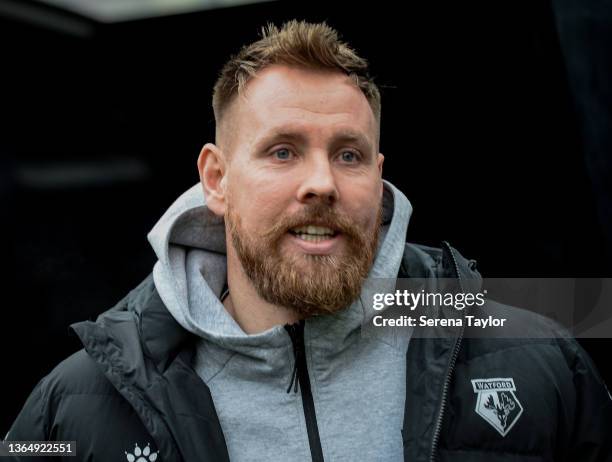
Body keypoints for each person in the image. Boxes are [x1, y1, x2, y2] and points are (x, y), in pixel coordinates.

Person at [6, 20, 612, 462]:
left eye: (348, 155)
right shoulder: (77, 404)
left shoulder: (538, 357)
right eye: (282, 151)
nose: (321, 183)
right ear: (216, 179)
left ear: (378, 177)